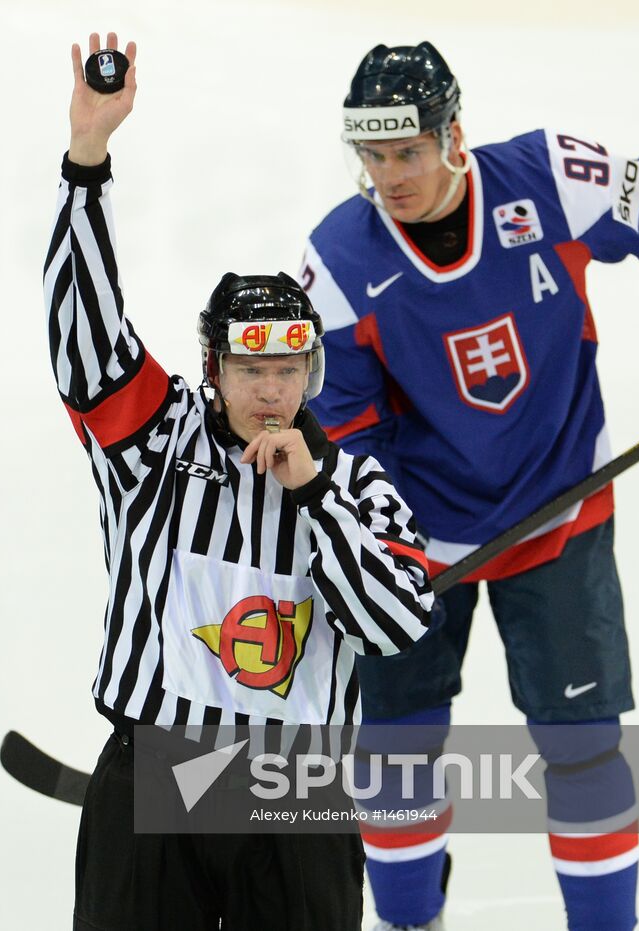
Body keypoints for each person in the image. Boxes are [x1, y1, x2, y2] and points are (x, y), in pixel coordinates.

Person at [297, 42, 639, 931]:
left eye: (407, 152)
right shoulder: (336, 260)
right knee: (398, 747)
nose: (389, 176)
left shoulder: (549, 178)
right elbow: (348, 429)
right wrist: (381, 543)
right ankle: (409, 921)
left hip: (561, 503)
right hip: (416, 529)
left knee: (581, 745)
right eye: (372, 154)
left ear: (453, 137)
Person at [48, 32, 436, 931]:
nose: (269, 390)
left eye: (287, 369)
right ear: (213, 371)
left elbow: (395, 625)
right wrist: (87, 158)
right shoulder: (155, 440)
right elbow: (84, 339)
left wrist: (314, 498)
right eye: (249, 369)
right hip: (153, 773)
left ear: (312, 371)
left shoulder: (358, 485)